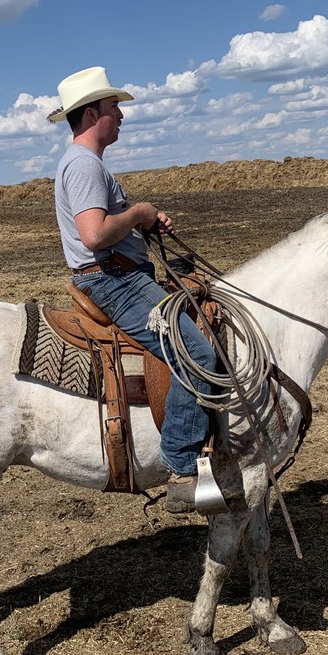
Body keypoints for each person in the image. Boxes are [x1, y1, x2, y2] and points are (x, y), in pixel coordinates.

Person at [48, 66, 218, 514]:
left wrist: (143, 221)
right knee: (199, 355)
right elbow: (94, 234)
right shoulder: (84, 164)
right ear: (90, 115)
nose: (121, 115)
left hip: (123, 273)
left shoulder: (86, 163)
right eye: (113, 107)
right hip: (113, 281)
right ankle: (181, 465)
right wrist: (140, 211)